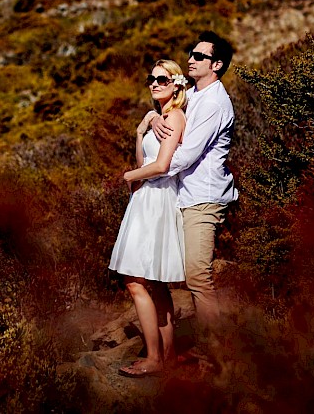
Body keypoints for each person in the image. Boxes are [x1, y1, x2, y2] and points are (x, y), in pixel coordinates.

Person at [150, 31, 236, 338]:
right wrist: (152, 117)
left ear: (217, 64)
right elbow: (170, 117)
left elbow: (187, 154)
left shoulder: (215, 102)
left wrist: (152, 171)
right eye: (191, 53)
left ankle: (219, 352)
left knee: (198, 276)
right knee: (182, 274)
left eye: (199, 56)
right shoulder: (195, 95)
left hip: (204, 198)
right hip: (185, 195)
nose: (191, 59)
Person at [109, 59, 190, 377]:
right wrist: (142, 128)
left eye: (162, 79)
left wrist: (128, 175)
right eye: (151, 79)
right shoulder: (159, 117)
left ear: (176, 84)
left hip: (156, 198)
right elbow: (145, 158)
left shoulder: (177, 116)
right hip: (145, 197)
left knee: (135, 280)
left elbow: (162, 165)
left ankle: (155, 357)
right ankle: (166, 357)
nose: (154, 83)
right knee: (153, 282)